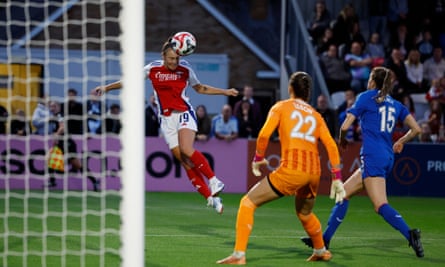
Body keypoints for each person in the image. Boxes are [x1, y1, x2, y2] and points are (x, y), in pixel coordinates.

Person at [92, 36, 239, 213]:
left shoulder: (185, 69)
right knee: (185, 163)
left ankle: (214, 180)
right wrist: (106, 88)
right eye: (171, 58)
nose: (174, 61)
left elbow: (200, 88)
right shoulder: (152, 69)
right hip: (167, 120)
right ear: (163, 56)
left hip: (184, 113)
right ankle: (211, 198)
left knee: (186, 148)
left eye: (177, 58)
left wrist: (225, 91)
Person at [216, 71, 346, 264]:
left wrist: (258, 158)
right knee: (305, 213)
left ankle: (239, 255)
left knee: (247, 203)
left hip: (292, 170)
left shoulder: (282, 107)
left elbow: (263, 135)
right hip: (314, 173)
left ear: (290, 89)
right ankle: (321, 250)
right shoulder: (317, 115)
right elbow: (331, 145)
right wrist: (336, 177)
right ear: (308, 92)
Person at [300, 66, 424, 258]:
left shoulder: (366, 97)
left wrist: (341, 139)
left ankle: (410, 234)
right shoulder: (396, 104)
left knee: (380, 205)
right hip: (386, 156)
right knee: (343, 194)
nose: (368, 82)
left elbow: (345, 126)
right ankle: (324, 240)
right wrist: (400, 141)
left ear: (373, 81)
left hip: (373, 156)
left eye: (370, 78)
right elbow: (416, 129)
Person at [46, 108, 100, 192]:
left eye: (54, 106)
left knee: (77, 165)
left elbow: (62, 127)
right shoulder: (54, 116)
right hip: (61, 143)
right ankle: (52, 181)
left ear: (58, 107)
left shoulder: (60, 115)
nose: (52, 108)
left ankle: (94, 181)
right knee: (50, 158)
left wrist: (56, 135)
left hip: (67, 143)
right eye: (51, 106)